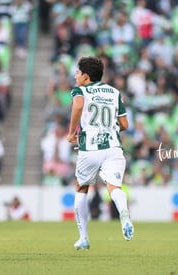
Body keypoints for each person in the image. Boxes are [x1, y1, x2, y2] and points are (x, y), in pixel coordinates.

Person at [66, 56, 134, 250]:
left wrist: (72, 133)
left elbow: (78, 105)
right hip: (113, 147)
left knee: (81, 188)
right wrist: (108, 130)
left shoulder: (80, 90)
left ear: (86, 77)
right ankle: (124, 214)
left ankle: (84, 237)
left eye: (78, 73)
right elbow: (124, 125)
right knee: (115, 188)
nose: (75, 76)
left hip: (90, 148)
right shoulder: (114, 92)